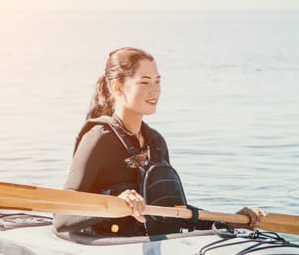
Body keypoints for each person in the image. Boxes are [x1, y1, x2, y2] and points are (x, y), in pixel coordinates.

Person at [53, 47, 263, 236]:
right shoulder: (99, 139)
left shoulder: (156, 142)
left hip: (150, 244)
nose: (155, 90)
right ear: (117, 87)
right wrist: (116, 204)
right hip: (109, 245)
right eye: (144, 82)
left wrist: (229, 221)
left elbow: (173, 210)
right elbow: (61, 219)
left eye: (157, 81)